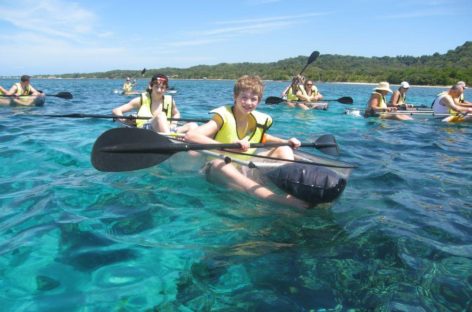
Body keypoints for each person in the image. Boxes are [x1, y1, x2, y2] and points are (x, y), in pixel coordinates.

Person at [184, 75, 309, 209]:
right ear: (235, 97)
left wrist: (285, 141)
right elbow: (191, 136)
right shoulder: (223, 117)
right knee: (219, 163)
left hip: (242, 168)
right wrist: (227, 149)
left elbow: (262, 137)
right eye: (244, 97)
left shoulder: (256, 119)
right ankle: (278, 200)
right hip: (216, 171)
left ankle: (292, 192)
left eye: (253, 99)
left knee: (284, 149)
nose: (248, 103)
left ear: (259, 101)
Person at [112, 73, 197, 133]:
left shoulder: (170, 100)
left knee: (193, 125)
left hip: (166, 130)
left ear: (166, 89)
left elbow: (176, 113)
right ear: (151, 86)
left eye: (163, 87)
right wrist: (124, 120)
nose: (159, 90)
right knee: (161, 115)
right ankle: (172, 140)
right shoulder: (140, 100)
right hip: (146, 131)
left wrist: (173, 124)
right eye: (156, 87)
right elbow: (116, 110)